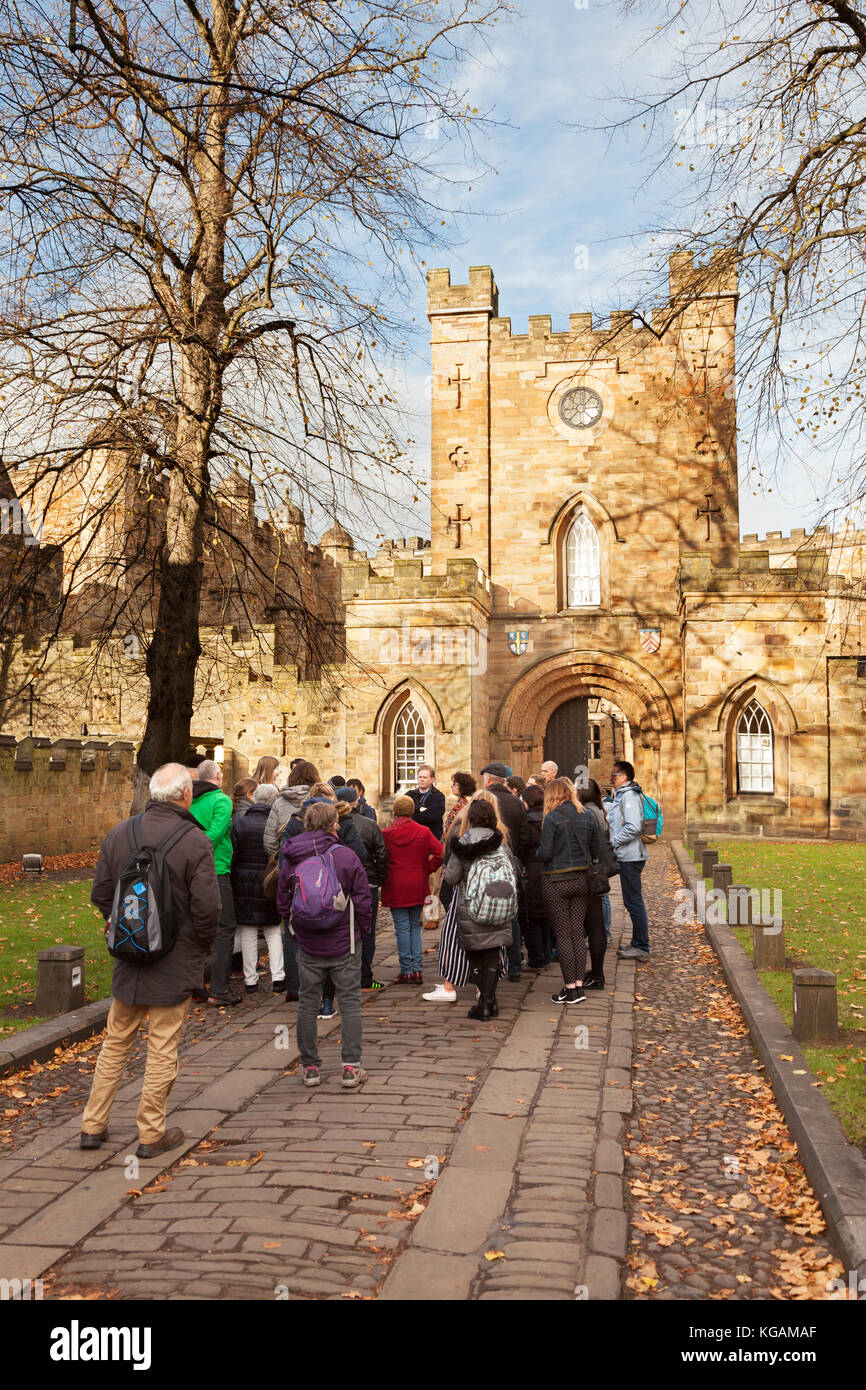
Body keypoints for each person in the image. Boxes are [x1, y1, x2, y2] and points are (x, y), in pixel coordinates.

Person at [80, 764, 221, 1156]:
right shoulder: (194, 841)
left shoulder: (120, 832)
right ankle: (150, 1133)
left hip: (130, 955)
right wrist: (197, 945)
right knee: (162, 1047)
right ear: (185, 795)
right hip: (175, 960)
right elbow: (208, 909)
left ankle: (92, 1125)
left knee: (115, 1043)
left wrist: (130, 928)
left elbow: (102, 893)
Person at [277, 801, 372, 1089]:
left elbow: (283, 900)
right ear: (335, 825)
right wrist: (361, 932)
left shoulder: (291, 855)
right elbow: (363, 900)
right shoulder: (345, 856)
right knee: (351, 1003)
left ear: (306, 823)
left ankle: (310, 1068)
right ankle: (350, 1067)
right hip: (344, 942)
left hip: (308, 942)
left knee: (308, 1002)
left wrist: (295, 931)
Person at [424, 790, 511, 1003]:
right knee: (492, 944)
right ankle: (485, 991)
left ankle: (449, 985)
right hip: (495, 900)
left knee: (453, 941)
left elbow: (451, 877)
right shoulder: (501, 837)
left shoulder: (463, 837)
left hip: (465, 900)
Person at [441, 798, 516, 1021]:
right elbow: (511, 870)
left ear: (470, 819)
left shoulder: (462, 844)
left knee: (474, 955)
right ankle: (488, 1001)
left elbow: (452, 878)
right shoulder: (500, 843)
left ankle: (483, 1004)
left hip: (471, 907)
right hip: (498, 903)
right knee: (492, 955)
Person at [537, 777, 601, 1005]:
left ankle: (570, 988)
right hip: (583, 880)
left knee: (563, 934)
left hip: (556, 881)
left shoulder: (552, 818)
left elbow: (544, 853)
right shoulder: (588, 816)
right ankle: (580, 985)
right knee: (576, 933)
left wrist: (537, 854)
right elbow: (597, 849)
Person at [189, 758, 240, 1006]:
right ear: (218, 776)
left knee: (197, 929)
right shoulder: (221, 800)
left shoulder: (190, 801)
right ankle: (219, 988)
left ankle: (196, 987)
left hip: (189, 871)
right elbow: (214, 835)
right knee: (225, 927)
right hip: (216, 869)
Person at [231, 783, 286, 995]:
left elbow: (233, 855)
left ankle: (250, 979)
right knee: (272, 929)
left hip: (243, 881)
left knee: (248, 930)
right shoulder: (276, 825)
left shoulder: (239, 823)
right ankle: (278, 976)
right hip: (268, 880)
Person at [381, 795, 443, 983]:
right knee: (415, 927)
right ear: (413, 811)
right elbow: (440, 852)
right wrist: (427, 868)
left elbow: (380, 859)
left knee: (401, 928)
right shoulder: (423, 831)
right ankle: (417, 969)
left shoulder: (386, 834)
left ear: (394, 812)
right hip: (417, 882)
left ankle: (406, 970)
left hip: (396, 883)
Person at [480, 761, 528, 979]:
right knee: (512, 915)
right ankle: (515, 966)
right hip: (512, 863)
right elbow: (525, 836)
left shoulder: (483, 800)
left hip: (486, 863)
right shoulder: (517, 802)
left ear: (489, 780)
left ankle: (489, 967)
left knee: (486, 913)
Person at [337, 786, 388, 990]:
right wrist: (379, 878)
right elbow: (382, 854)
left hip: (340, 884)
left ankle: (342, 977)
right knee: (367, 929)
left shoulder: (332, 824)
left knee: (341, 930)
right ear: (356, 802)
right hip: (367, 882)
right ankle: (364, 977)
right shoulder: (368, 824)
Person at [609, 759, 651, 962]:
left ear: (624, 777)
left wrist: (614, 842)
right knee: (631, 901)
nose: (611, 778)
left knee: (634, 902)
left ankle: (642, 946)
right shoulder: (622, 796)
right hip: (629, 855)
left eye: (614, 775)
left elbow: (633, 827)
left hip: (631, 856)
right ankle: (637, 943)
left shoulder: (629, 797)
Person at [577, 780, 618, 988]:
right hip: (596, 871)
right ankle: (595, 973)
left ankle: (596, 974)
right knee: (596, 925)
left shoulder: (589, 813)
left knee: (594, 926)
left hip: (591, 872)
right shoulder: (596, 810)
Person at [520, 783, 553, 967]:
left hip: (531, 870)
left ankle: (537, 957)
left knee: (531, 916)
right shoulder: (552, 818)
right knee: (546, 915)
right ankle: (546, 953)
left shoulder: (526, 822)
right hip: (549, 868)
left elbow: (522, 846)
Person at [263, 759, 321, 857]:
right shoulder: (322, 801)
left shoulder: (279, 802)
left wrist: (281, 860)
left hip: (287, 861)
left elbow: (269, 841)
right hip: (317, 863)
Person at [407, 764, 446, 842]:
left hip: (431, 838)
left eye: (425, 777)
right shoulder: (409, 795)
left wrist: (412, 815)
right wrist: (419, 809)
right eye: (420, 777)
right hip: (411, 838)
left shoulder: (438, 796)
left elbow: (431, 817)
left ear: (432, 779)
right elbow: (402, 811)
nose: (421, 779)